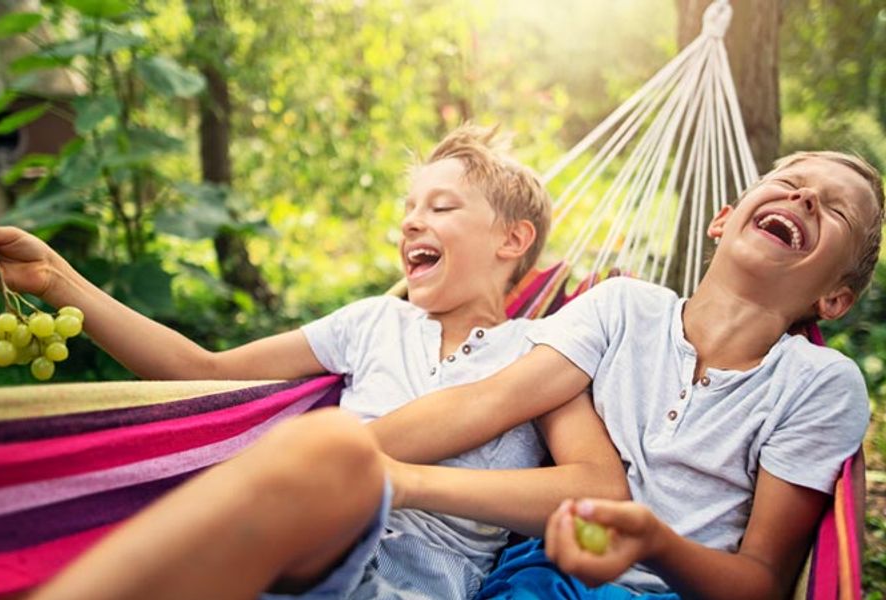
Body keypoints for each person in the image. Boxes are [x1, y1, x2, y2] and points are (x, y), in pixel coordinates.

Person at [0, 125, 628, 599]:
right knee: (325, 453)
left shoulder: (543, 352)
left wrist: (399, 481)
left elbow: (601, 493)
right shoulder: (372, 321)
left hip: (416, 585)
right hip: (305, 555)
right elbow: (205, 372)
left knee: (333, 445)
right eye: (408, 209)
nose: (411, 222)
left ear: (513, 239)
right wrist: (57, 280)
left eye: (441, 207)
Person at [366, 150, 883, 599]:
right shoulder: (621, 308)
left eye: (836, 209)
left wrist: (654, 544)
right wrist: (348, 455)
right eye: (790, 183)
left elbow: (762, 581)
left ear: (834, 299)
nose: (805, 198)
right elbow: (488, 402)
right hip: (548, 580)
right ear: (722, 221)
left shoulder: (818, 383)